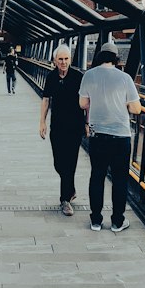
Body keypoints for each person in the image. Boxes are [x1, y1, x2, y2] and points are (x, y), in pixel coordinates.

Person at [79, 43, 141, 233]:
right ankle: (117, 221)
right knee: (120, 179)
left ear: (99, 57)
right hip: (120, 136)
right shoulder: (125, 78)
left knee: (97, 176)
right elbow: (135, 108)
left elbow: (82, 104)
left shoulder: (89, 75)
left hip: (97, 134)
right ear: (116, 59)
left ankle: (96, 220)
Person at [39, 45, 85, 216]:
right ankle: (71, 189)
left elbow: (87, 101)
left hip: (75, 126)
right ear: (55, 61)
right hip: (57, 126)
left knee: (70, 162)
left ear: (70, 60)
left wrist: (87, 124)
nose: (64, 62)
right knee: (59, 162)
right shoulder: (51, 77)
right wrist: (41, 122)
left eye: (66, 59)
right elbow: (45, 100)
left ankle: (65, 199)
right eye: (60, 59)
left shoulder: (78, 77)